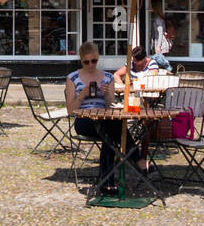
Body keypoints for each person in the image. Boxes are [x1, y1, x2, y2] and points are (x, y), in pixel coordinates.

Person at [64, 41, 149, 196]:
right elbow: (70, 110)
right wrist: (82, 94)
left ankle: (106, 182)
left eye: (94, 61)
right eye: (86, 62)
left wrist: (107, 93)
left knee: (109, 132)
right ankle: (138, 159)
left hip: (104, 118)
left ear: (98, 58)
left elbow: (110, 105)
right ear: (81, 61)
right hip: (84, 120)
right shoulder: (72, 78)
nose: (90, 65)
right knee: (112, 128)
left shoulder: (107, 77)